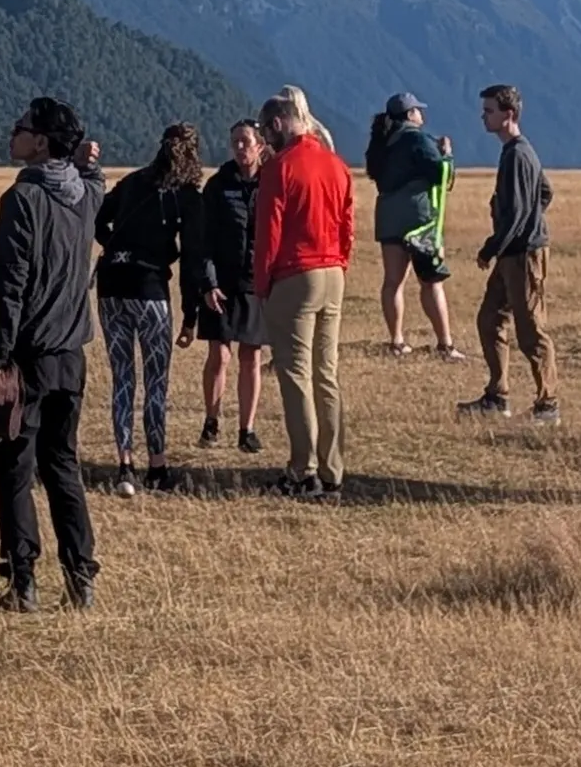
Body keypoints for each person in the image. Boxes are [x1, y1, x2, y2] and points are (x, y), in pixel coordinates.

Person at [0, 95, 102, 610]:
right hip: (72, 356)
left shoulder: (23, 199)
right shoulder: (87, 198)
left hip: (26, 356)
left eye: (22, 127)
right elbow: (93, 177)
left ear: (41, 142)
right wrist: (85, 160)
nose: (14, 133)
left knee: (14, 467)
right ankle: (80, 577)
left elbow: (10, 284)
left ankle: (23, 580)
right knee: (62, 465)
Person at [249, 85, 357, 496]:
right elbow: (348, 224)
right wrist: (341, 262)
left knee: (295, 375)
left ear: (277, 125)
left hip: (296, 275)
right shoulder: (336, 164)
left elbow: (268, 233)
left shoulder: (280, 169)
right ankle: (333, 471)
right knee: (326, 374)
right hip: (333, 272)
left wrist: (262, 285)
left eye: (264, 131)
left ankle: (302, 470)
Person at [95, 123, 200, 494]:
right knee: (156, 381)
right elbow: (192, 259)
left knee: (122, 378)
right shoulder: (186, 194)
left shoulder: (132, 182)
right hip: (151, 291)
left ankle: (125, 465)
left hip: (111, 287)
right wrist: (190, 314)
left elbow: (97, 218)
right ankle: (157, 466)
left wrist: (116, 248)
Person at [455, 83, 560, 423]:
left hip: (522, 254)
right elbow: (545, 191)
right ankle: (497, 397)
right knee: (490, 318)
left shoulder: (517, 154)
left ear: (508, 114)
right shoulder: (519, 151)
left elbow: (516, 212)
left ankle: (548, 405)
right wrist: (530, 218)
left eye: (489, 111)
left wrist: (492, 246)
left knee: (531, 331)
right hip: (513, 252)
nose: (483, 116)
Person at [187, 118, 270, 455]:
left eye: (246, 141)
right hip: (220, 283)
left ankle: (246, 429)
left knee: (251, 355)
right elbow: (202, 240)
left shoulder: (272, 183)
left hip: (255, 283)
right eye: (235, 141)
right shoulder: (218, 186)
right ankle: (211, 421)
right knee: (219, 355)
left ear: (260, 146)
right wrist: (207, 283)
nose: (240, 147)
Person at [364, 94, 461, 358]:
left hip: (387, 216)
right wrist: (447, 155)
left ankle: (396, 341)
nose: (421, 114)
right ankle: (445, 344)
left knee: (393, 282)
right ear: (410, 115)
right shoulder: (418, 140)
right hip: (418, 219)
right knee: (431, 280)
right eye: (418, 110)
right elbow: (441, 175)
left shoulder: (381, 144)